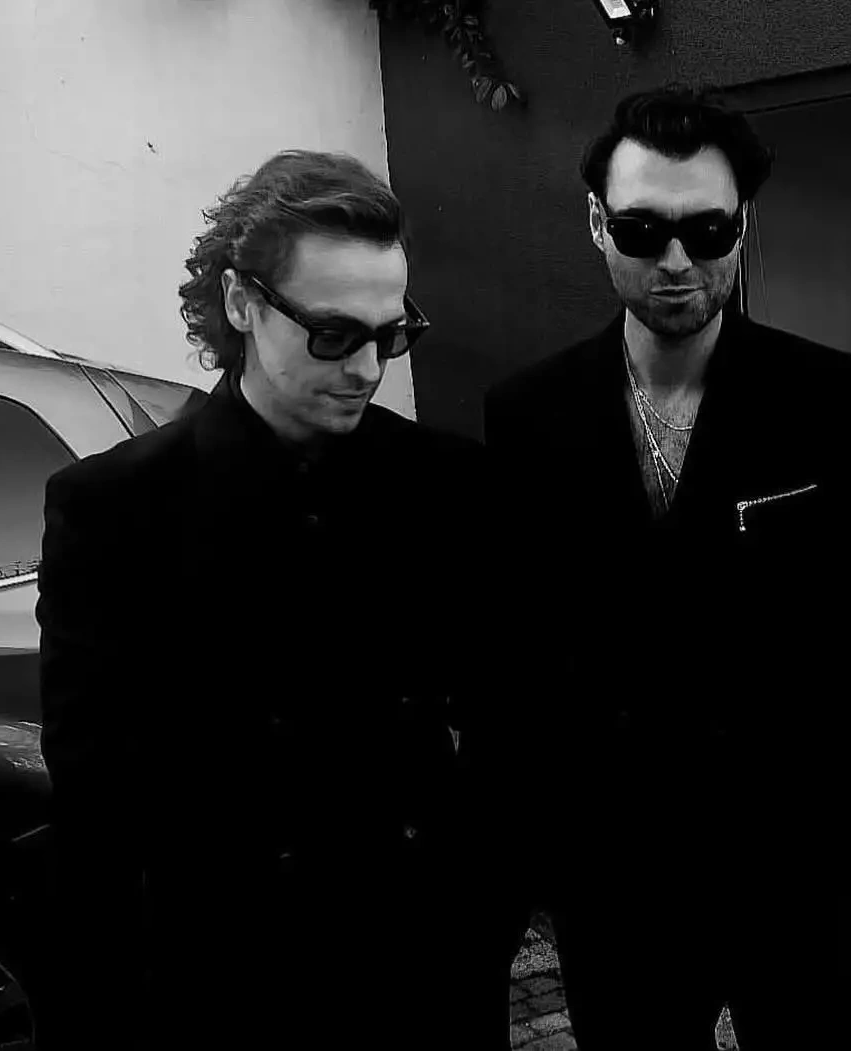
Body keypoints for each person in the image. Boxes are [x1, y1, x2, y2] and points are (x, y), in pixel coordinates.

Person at [36, 150, 512, 1049]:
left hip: (422, 976)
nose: (367, 368)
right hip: (222, 982)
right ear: (241, 303)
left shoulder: (446, 483)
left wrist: (480, 915)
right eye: (332, 334)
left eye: (391, 335)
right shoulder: (114, 507)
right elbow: (98, 795)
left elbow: (507, 717)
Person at [483, 84, 851, 1050]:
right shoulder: (527, 414)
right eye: (643, 230)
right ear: (598, 222)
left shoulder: (836, 400)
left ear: (742, 222)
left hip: (796, 868)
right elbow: (516, 661)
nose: (677, 260)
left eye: (708, 229)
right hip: (616, 880)